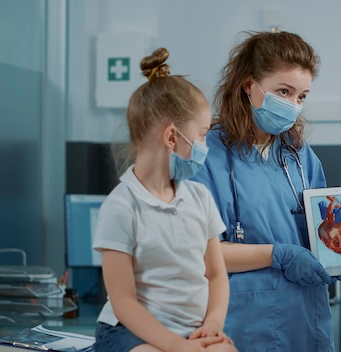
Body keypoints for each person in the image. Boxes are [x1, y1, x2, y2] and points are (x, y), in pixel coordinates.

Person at [191, 28, 341, 352]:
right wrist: (277, 255)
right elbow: (198, 253)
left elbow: (322, 232)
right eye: (283, 91)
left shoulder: (300, 156)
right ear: (248, 85)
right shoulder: (206, 156)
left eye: (301, 96)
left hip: (306, 321)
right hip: (241, 323)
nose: (293, 105)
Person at [92, 48, 236, 352]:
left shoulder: (199, 197)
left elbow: (216, 274)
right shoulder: (121, 207)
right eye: (201, 135)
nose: (204, 147)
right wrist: (177, 347)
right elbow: (124, 303)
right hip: (129, 333)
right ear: (172, 138)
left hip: (191, 331)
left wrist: (212, 324)